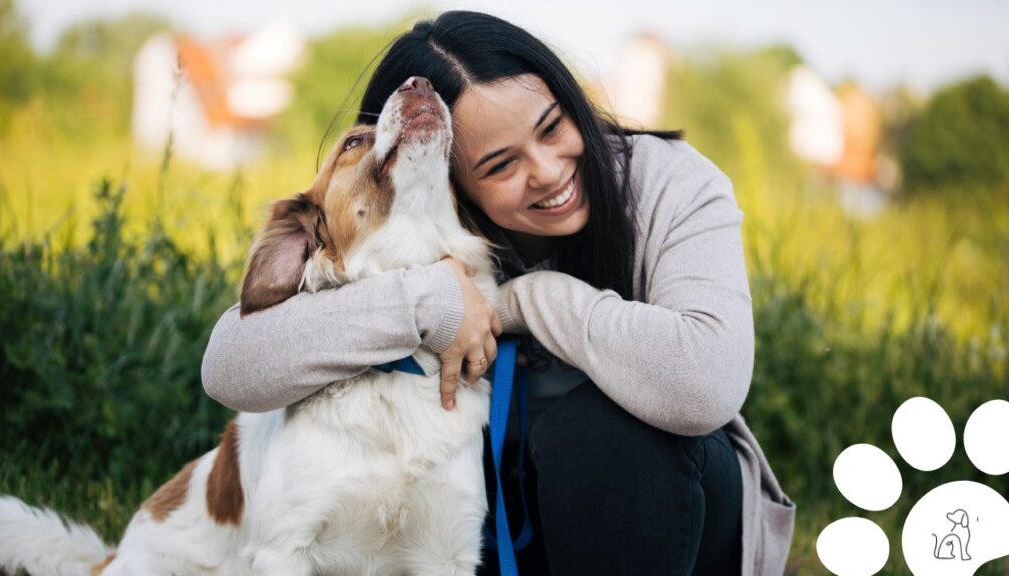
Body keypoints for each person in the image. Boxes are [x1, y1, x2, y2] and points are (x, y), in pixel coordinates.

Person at [202, 10, 794, 576]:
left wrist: (523, 302)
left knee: (598, 430)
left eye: (552, 127)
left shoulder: (671, 183)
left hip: (669, 523)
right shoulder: (429, 235)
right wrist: (430, 299)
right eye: (501, 165)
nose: (547, 171)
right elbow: (231, 365)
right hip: (493, 534)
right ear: (447, 176)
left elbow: (705, 383)